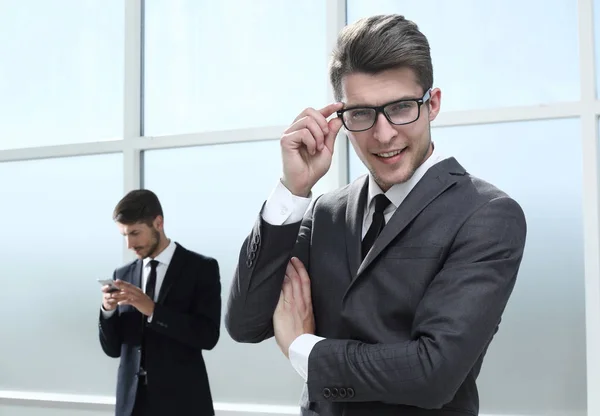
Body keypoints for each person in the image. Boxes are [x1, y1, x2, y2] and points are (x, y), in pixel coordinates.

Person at [225, 14, 527, 416]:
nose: (384, 135)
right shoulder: (323, 212)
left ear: (432, 104)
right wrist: (293, 190)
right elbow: (246, 323)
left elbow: (432, 374)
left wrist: (304, 349)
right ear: (341, 120)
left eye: (401, 108)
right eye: (363, 113)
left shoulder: (486, 215)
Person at [98, 189, 221, 416]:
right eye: (124, 235)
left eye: (135, 233)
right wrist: (108, 310)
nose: (129, 244)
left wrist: (153, 310)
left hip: (183, 404)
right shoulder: (123, 274)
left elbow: (208, 336)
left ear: (158, 223)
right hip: (132, 405)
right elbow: (113, 349)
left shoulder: (201, 268)